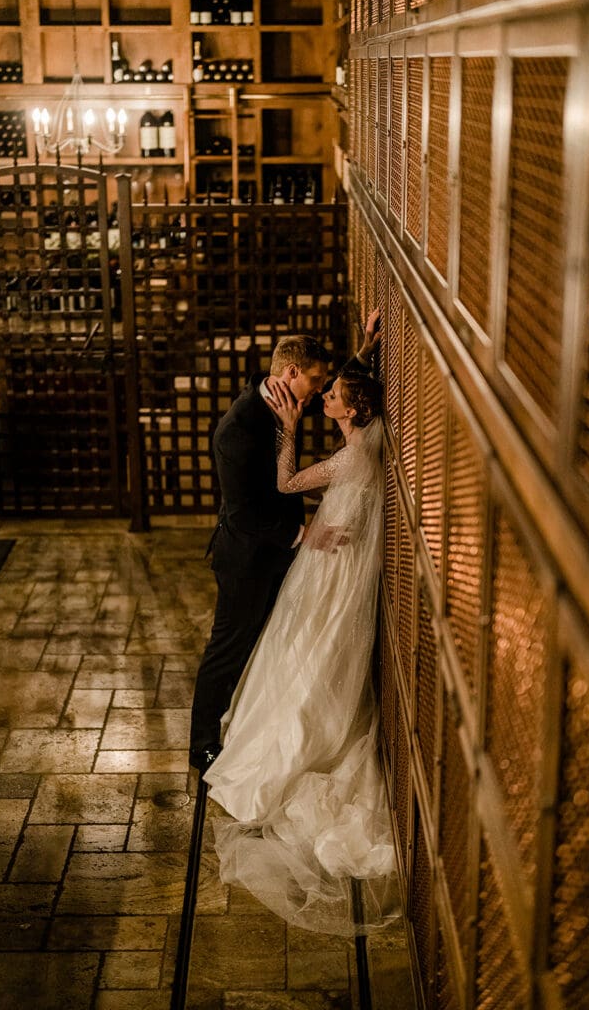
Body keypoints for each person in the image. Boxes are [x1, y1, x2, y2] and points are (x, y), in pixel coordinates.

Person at [203, 372, 401, 936]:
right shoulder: (375, 439)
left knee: (301, 650)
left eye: (332, 397)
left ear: (352, 411)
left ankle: (289, 743)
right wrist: (366, 349)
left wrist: (288, 429)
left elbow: (287, 483)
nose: (322, 400)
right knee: (313, 652)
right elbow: (362, 386)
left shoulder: (348, 459)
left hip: (327, 564)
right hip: (343, 563)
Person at [189, 313, 382, 774]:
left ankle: (267, 731)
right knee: (229, 648)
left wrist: (367, 348)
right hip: (248, 559)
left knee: (277, 642)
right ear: (291, 373)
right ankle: (202, 746)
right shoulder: (237, 430)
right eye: (315, 381)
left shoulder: (290, 396)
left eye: (321, 385)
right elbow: (243, 512)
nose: (319, 392)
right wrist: (303, 534)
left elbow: (346, 399)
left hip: (287, 556)